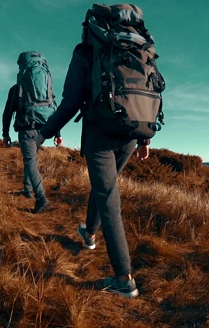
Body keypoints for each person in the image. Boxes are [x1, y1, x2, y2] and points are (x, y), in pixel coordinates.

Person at [36, 7, 151, 298]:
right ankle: (89, 234)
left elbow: (71, 102)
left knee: (109, 197)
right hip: (130, 131)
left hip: (100, 133)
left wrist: (44, 133)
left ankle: (124, 279)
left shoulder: (86, 52)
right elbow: (145, 93)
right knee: (104, 188)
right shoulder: (140, 49)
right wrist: (144, 140)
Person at [2, 83, 63, 213]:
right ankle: (28, 189)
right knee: (30, 159)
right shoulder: (45, 88)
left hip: (27, 129)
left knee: (30, 161)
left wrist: (5, 134)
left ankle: (41, 198)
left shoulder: (16, 88)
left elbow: (7, 112)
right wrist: (57, 134)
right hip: (43, 129)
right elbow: (55, 110)